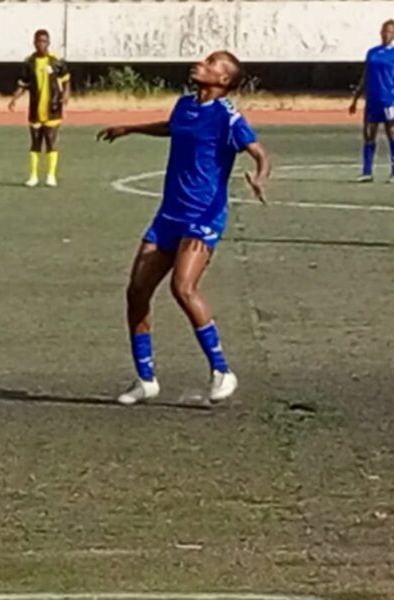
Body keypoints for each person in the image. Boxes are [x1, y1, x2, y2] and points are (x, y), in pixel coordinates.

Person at [97, 51, 271, 405]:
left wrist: (260, 176)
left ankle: (222, 371)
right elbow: (171, 126)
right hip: (169, 216)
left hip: (203, 217)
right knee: (136, 292)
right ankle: (146, 380)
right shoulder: (184, 105)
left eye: (211, 65)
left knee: (183, 287)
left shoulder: (228, 117)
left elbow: (259, 152)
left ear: (223, 81)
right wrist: (129, 128)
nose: (200, 65)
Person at [8, 29, 71, 188]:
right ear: (34, 43)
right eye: (38, 41)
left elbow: (66, 80)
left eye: (44, 41)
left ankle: (51, 175)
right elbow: (23, 84)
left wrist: (65, 95)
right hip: (35, 109)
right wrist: (14, 99)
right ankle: (34, 175)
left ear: (48, 43)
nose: (41, 44)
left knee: (51, 141)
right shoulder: (29, 62)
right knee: (35, 142)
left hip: (53, 107)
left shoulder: (56, 61)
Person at [349, 20, 394, 183]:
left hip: (389, 99)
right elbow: (366, 76)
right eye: (384, 31)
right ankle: (367, 171)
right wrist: (355, 98)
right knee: (369, 135)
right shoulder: (372, 53)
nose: (386, 34)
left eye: (390, 31)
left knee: (392, 134)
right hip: (373, 99)